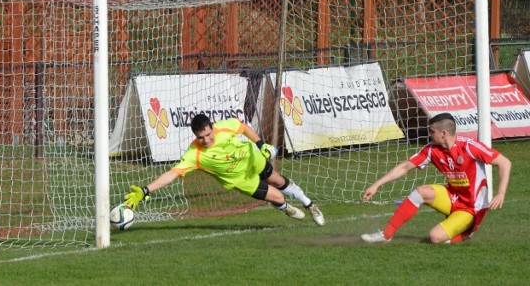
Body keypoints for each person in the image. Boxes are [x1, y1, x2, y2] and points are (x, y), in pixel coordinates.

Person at [124, 114, 325, 225]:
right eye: (201, 137)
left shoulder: (224, 127)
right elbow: (171, 174)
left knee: (278, 181)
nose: (207, 140)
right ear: (195, 135)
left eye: (209, 135)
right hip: (240, 181)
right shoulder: (194, 154)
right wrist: (145, 190)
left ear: (212, 128)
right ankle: (287, 208)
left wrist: (260, 144)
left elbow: (243, 127)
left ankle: (310, 205)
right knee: (279, 198)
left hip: (252, 159)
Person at [360, 112, 512, 244]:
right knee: (421, 191)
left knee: (434, 237)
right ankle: (386, 234)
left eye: (432, 131)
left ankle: (465, 233)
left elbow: (505, 163)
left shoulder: (469, 147)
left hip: (473, 207)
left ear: (443, 133)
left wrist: (501, 193)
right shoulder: (431, 150)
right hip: (453, 197)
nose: (429, 134)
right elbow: (405, 167)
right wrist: (376, 185)